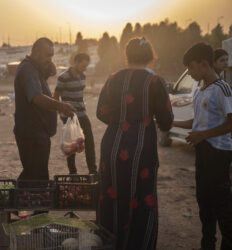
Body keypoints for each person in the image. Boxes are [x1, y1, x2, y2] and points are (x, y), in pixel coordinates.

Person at [96, 37, 173, 250]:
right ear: (150, 56)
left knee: (110, 197)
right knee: (142, 198)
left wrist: (121, 121)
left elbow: (100, 112)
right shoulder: (156, 81)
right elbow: (167, 121)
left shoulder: (113, 78)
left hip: (111, 147)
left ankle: (109, 244)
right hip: (142, 149)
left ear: (126, 55)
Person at [173, 43, 232, 250]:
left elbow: (230, 122)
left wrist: (203, 135)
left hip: (218, 153)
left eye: (190, 67)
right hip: (203, 153)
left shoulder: (222, 89)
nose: (189, 72)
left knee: (222, 206)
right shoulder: (200, 90)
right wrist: (170, 123)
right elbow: (196, 121)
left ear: (204, 64)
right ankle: (207, 244)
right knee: (204, 203)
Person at [13, 37, 75, 183]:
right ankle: (12, 203)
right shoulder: (28, 69)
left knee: (33, 175)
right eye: (47, 55)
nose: (50, 59)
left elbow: (51, 72)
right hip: (31, 133)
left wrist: (49, 67)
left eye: (52, 55)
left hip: (38, 132)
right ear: (35, 52)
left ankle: (12, 203)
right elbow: (36, 97)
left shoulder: (34, 68)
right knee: (36, 177)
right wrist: (61, 106)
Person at [53, 53, 97, 175]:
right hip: (68, 115)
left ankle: (93, 171)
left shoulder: (83, 76)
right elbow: (56, 97)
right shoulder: (63, 77)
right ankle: (73, 172)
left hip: (82, 113)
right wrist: (60, 113)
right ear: (76, 62)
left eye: (86, 66)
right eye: (83, 65)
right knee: (72, 143)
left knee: (89, 141)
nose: (84, 68)